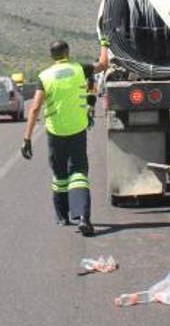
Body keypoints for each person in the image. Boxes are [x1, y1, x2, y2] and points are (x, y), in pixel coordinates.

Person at [20, 38, 110, 236]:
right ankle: (83, 216)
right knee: (78, 172)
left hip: (55, 131)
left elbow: (35, 108)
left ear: (52, 57)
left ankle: (62, 215)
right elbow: (104, 64)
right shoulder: (80, 69)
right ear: (67, 53)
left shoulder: (44, 76)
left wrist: (27, 138)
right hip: (77, 129)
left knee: (60, 173)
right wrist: (104, 43)